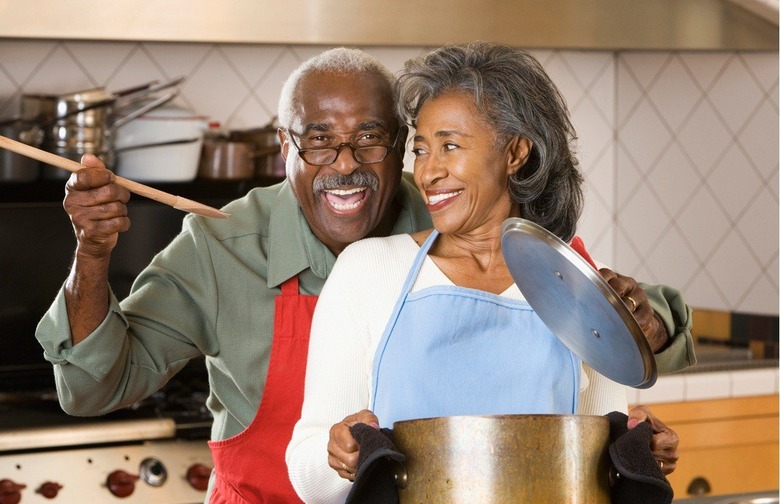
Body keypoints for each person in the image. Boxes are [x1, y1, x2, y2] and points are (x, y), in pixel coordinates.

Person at [35, 47, 690, 503]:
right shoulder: (222, 246)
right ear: (285, 147)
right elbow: (93, 388)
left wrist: (647, 337)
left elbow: (615, 329)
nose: (344, 163)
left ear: (396, 145)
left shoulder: (457, 213)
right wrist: (92, 252)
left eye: (371, 138)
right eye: (318, 140)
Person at [286, 42, 692, 503]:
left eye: (450, 146)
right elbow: (307, 474)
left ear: (515, 152)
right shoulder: (369, 271)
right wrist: (338, 456)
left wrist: (638, 450)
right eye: (421, 150)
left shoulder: (574, 283)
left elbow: (601, 468)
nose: (428, 173)